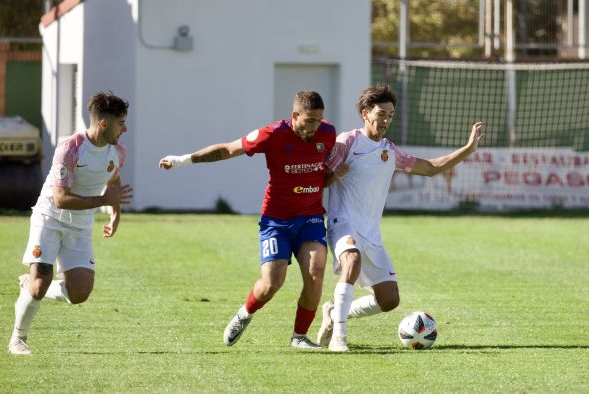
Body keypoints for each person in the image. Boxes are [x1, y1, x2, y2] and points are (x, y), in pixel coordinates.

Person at [159, 91, 337, 349]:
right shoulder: (273, 134)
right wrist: (183, 160)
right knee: (271, 284)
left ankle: (299, 336)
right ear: (295, 115)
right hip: (276, 220)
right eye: (310, 120)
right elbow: (227, 150)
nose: (315, 126)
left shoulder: (327, 134)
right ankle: (245, 314)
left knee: (315, 273)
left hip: (310, 217)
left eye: (319, 120)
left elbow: (327, 172)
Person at [317, 86, 485, 352]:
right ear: (365, 114)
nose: (386, 120)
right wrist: (335, 175)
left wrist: (467, 149)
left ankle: (334, 312)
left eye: (390, 115)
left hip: (371, 234)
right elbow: (320, 179)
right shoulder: (347, 142)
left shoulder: (389, 152)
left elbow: (430, 169)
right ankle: (338, 337)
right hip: (343, 223)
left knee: (389, 300)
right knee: (352, 261)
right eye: (381, 114)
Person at [7, 91, 133, 356]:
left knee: (80, 293)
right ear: (103, 124)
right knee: (41, 283)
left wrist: (115, 213)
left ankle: (28, 285)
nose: (125, 128)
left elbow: (112, 180)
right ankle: (18, 339)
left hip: (81, 225)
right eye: (121, 122)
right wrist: (102, 201)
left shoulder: (118, 152)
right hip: (50, 218)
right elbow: (61, 199)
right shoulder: (70, 148)